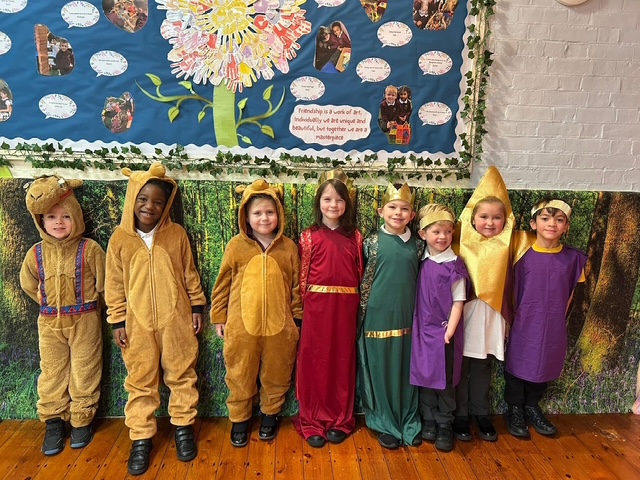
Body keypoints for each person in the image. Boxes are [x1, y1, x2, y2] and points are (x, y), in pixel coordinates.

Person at [105, 162, 206, 476]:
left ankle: (183, 427)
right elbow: (114, 285)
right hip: (137, 324)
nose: (150, 206)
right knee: (140, 380)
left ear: (166, 205)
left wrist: (197, 307)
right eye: (143, 199)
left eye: (158, 202)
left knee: (182, 373)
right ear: (132, 199)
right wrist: (117, 320)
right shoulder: (120, 240)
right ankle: (141, 437)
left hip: (176, 320)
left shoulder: (176, 235)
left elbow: (189, 273)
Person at [211, 180, 302, 448]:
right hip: (241, 327)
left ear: (279, 215)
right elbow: (222, 284)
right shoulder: (236, 246)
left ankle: (270, 414)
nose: (264, 218)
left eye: (270, 212)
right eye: (257, 213)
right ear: (246, 217)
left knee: (277, 371)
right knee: (240, 371)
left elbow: (296, 286)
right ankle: (240, 417)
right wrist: (219, 316)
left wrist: (297, 318)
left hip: (280, 327)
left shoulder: (288, 247)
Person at [20, 176, 105, 456]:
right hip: (49, 324)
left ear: (76, 217)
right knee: (52, 371)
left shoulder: (90, 249)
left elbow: (106, 283)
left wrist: (99, 308)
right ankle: (54, 420)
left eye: (66, 216)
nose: (59, 222)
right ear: (41, 221)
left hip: (85, 321)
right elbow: (28, 284)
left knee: (85, 368)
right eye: (51, 217)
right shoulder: (35, 254)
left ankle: (82, 419)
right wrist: (45, 302)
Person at [453, 166, 529, 443]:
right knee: (460, 366)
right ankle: (460, 414)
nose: (489, 222)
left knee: (483, 365)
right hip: (465, 313)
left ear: (505, 221)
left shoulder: (512, 245)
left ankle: (481, 413)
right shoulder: (458, 242)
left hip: (493, 315)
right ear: (472, 219)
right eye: (483, 217)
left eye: (497, 217)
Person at [504, 199, 586, 438]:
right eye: (545, 218)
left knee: (544, 360)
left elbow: (570, 293)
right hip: (522, 319)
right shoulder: (520, 254)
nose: (552, 224)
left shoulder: (573, 259)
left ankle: (532, 406)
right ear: (533, 223)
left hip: (552, 321)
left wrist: (558, 318)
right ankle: (514, 409)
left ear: (566, 227)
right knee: (518, 360)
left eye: (559, 220)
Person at [296, 169, 363, 448]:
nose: (333, 205)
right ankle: (312, 419)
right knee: (315, 361)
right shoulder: (308, 237)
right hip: (316, 308)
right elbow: (301, 276)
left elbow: (360, 275)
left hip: (345, 308)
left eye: (339, 199)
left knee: (341, 361)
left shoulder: (355, 238)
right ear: (318, 202)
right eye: (327, 199)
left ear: (347, 203)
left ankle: (339, 419)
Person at [358, 183, 423, 449]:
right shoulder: (371, 243)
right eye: (392, 207)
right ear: (381, 211)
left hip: (408, 317)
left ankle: (407, 418)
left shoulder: (419, 245)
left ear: (412, 215)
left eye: (404, 208)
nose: (398, 213)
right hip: (377, 316)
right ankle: (382, 421)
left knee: (405, 368)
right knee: (380, 368)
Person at [410, 204, 469, 452]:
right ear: (423, 234)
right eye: (436, 232)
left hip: (444, 333)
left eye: (447, 231)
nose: (443, 237)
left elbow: (458, 301)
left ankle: (445, 422)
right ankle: (429, 418)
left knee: (444, 381)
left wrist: (450, 331)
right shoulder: (420, 261)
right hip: (422, 332)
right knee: (425, 377)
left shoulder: (454, 265)